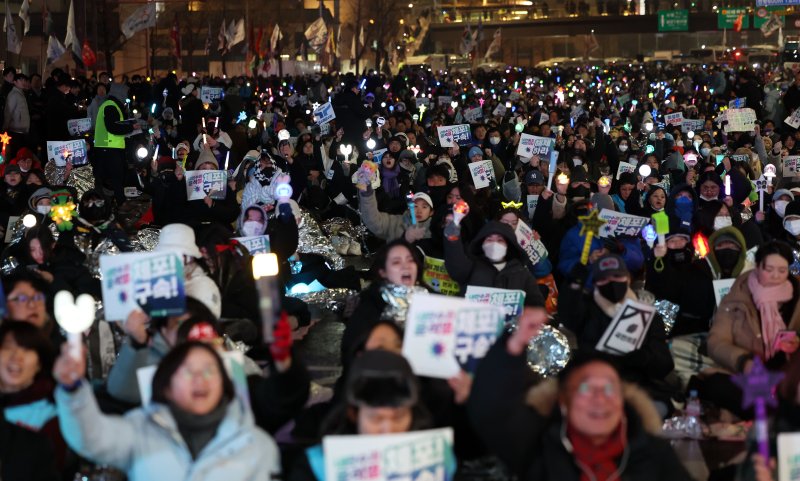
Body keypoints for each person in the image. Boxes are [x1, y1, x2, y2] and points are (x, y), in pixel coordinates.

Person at [469, 317, 692, 481]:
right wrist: (511, 349)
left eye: (608, 388)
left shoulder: (653, 451)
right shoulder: (538, 449)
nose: (599, 398)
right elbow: (492, 411)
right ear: (564, 400)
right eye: (585, 387)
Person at [54, 341, 281, 480]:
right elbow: (92, 439)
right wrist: (72, 390)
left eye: (210, 371)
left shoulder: (258, 445)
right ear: (167, 387)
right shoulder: (139, 429)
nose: (200, 379)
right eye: (188, 371)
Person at [443, 220, 546, 307]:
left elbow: (536, 303)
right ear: (481, 244)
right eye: (489, 239)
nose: (494, 243)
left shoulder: (522, 274)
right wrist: (452, 238)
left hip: (511, 329)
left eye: (500, 240)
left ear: (508, 245)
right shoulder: (471, 267)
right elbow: (455, 265)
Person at [93, 83, 138, 204]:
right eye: (125, 93)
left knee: (111, 178)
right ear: (120, 93)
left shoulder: (112, 105)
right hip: (108, 147)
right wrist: (131, 128)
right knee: (116, 178)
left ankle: (111, 203)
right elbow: (113, 127)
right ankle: (119, 203)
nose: (126, 96)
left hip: (108, 147)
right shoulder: (111, 106)